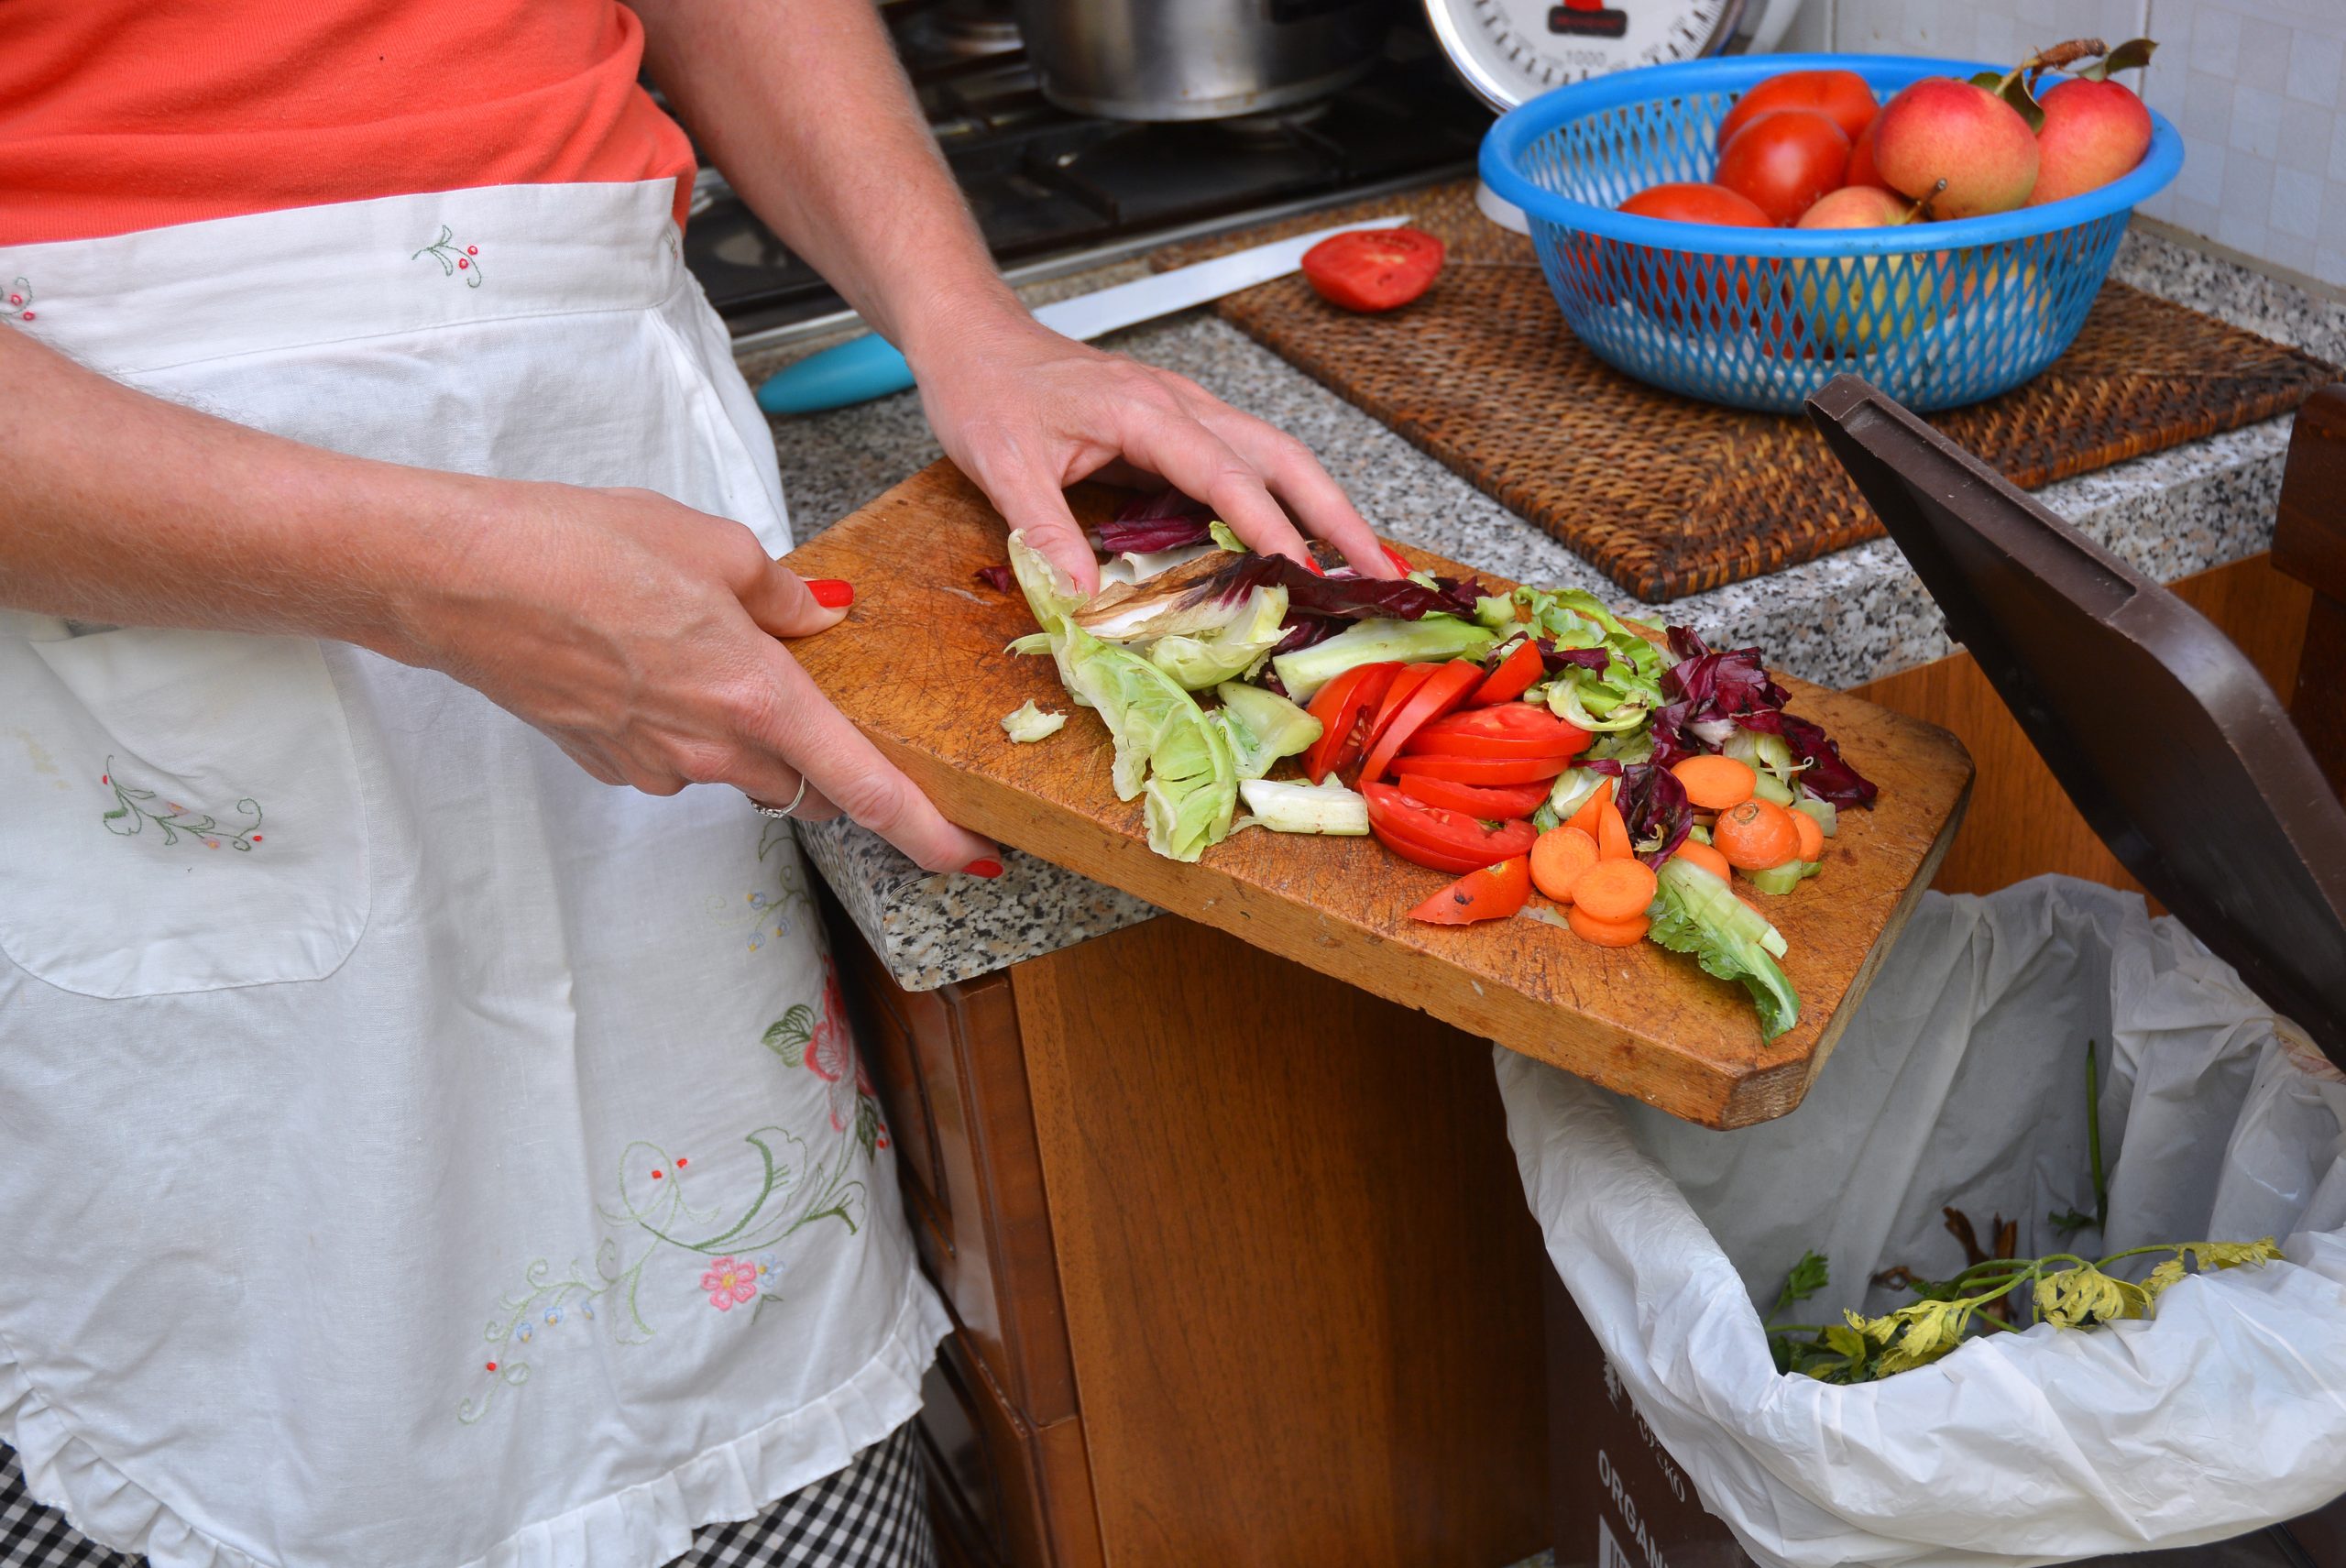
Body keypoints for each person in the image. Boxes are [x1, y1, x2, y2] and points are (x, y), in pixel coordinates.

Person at [0, 3, 1394, 1564]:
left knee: (722, 1351)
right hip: (152, 542)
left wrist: (959, 313)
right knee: (258, 1385)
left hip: (613, 449)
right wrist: (432, 578)